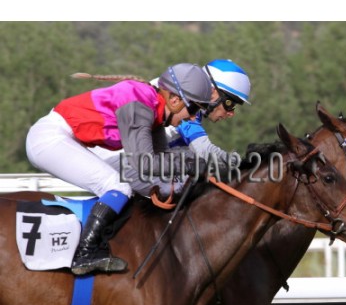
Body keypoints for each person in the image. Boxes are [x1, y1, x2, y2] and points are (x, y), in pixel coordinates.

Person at [26, 63, 212, 275]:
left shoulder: (155, 110)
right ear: (175, 100)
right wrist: (190, 164)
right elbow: (144, 164)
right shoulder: (140, 104)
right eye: (194, 109)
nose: (193, 117)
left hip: (62, 138)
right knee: (118, 186)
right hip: (49, 139)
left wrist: (197, 165)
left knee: (121, 186)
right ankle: (85, 253)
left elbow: (162, 159)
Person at [91, 59, 252, 197]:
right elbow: (205, 151)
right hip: (117, 159)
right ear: (213, 92)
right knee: (192, 186)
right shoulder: (185, 100)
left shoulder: (185, 94)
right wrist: (246, 166)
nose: (231, 113)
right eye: (230, 103)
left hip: (131, 158)